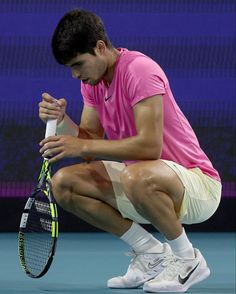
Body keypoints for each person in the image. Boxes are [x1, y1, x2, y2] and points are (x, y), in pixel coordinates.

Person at [38, 8, 221, 293]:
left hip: (198, 185)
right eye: (70, 69)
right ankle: (149, 253)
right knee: (64, 183)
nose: (75, 75)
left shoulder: (139, 69)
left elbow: (150, 146)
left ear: (100, 48)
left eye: (78, 64)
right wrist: (63, 122)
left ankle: (188, 259)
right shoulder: (93, 84)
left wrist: (81, 144)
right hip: (142, 180)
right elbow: (90, 146)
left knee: (135, 175)